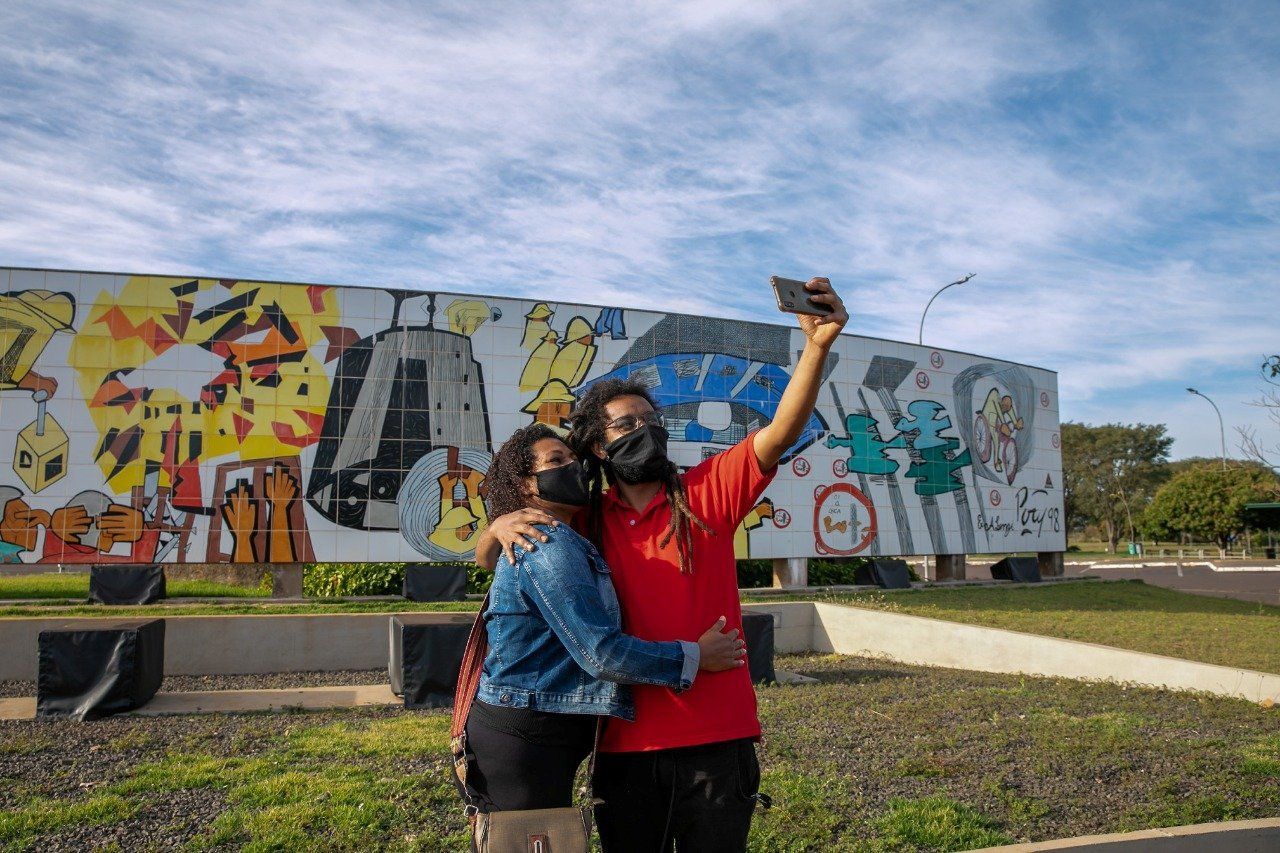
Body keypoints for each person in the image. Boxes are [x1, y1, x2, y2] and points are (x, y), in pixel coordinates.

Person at [478, 277, 848, 852]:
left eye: (652, 420)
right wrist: (497, 526)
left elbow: (780, 432)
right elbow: (505, 558)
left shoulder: (706, 493)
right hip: (624, 747)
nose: (645, 430)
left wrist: (817, 347)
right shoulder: (583, 520)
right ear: (598, 449)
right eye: (626, 425)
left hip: (717, 742)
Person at [460, 423, 747, 816]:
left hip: (536, 728)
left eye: (575, 459)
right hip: (526, 730)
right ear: (526, 485)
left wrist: (496, 527)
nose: (573, 468)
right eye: (556, 461)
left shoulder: (564, 531)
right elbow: (601, 654)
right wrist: (694, 657)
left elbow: (486, 558)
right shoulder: (547, 543)